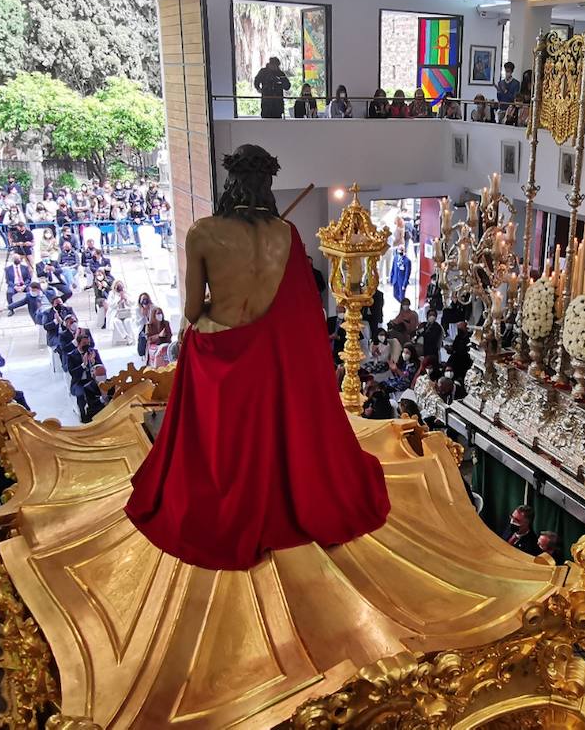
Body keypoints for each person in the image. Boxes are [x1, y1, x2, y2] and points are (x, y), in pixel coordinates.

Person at [126, 143, 390, 571]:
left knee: (206, 401)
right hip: (267, 357)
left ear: (230, 182)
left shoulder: (202, 232)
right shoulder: (285, 234)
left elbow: (194, 311)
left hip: (220, 350)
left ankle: (221, 495)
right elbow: (301, 307)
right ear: (268, 186)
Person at [109, 280, 136, 345]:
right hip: (117, 314)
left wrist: (126, 299)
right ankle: (126, 336)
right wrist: (118, 300)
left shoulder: (126, 293)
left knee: (128, 321)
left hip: (127, 313)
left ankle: (130, 338)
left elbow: (133, 303)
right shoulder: (112, 294)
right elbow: (111, 305)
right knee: (116, 321)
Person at [135, 292, 154, 357]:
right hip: (143, 328)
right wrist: (143, 316)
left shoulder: (153, 307)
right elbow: (137, 323)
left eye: (146, 299)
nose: (145, 301)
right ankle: (143, 352)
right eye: (143, 299)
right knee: (143, 337)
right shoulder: (137, 309)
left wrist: (149, 312)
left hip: (152, 326)